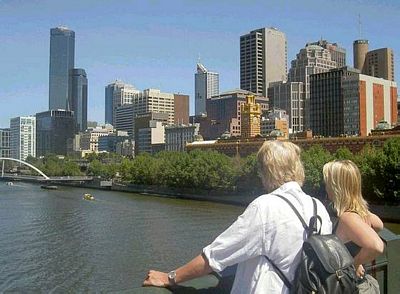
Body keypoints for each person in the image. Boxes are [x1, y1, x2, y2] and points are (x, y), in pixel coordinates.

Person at [143, 141, 332, 293]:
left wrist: (169, 277)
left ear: (268, 171)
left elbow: (215, 256)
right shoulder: (318, 208)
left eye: (260, 170)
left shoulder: (265, 207)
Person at [323, 160, 384, 291]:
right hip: (363, 284)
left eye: (327, 182)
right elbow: (379, 225)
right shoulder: (360, 213)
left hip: (353, 287)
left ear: (336, 187)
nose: (325, 187)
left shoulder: (347, 218)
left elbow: (376, 246)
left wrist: (353, 264)